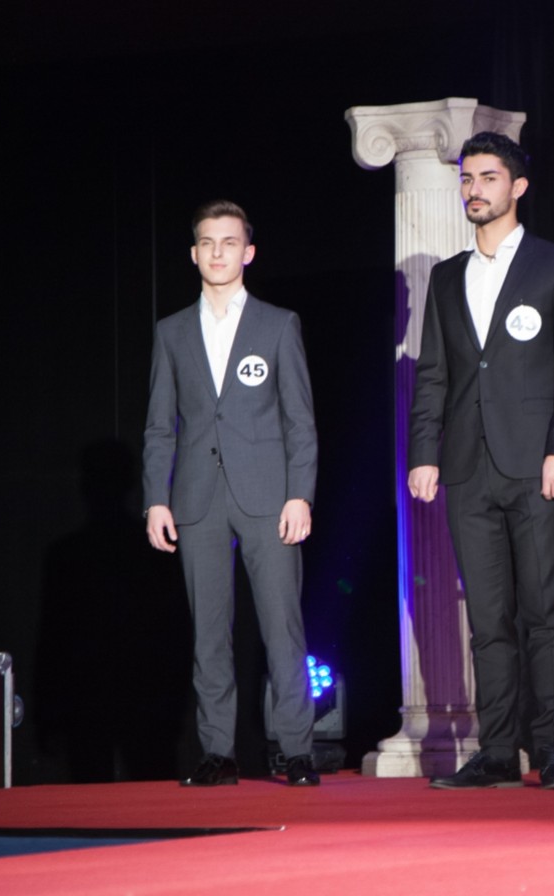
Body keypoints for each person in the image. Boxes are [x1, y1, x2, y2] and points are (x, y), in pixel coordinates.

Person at [408, 131, 554, 790]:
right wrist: (423, 452)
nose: (474, 189)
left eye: (488, 177)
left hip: (536, 463)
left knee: (546, 612)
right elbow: (434, 372)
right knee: (487, 621)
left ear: (517, 187)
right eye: (466, 178)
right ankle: (496, 751)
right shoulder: (447, 276)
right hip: (466, 466)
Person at [143, 199, 321, 788]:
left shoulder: (278, 325)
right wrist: (156, 498)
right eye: (207, 242)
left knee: (281, 626)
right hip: (197, 498)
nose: (217, 252)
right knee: (209, 631)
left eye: (229, 242)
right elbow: (159, 425)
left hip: (269, 496)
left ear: (248, 252)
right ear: (193, 253)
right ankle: (218, 751)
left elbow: (300, 421)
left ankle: (296, 749)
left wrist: (300, 495)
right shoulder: (172, 332)